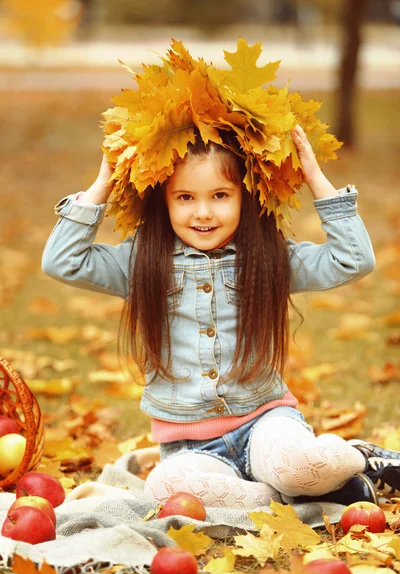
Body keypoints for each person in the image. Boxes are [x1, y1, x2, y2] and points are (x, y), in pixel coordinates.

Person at [42, 125, 400, 510]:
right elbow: (62, 261)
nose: (203, 212)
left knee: (299, 465)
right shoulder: (142, 262)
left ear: (245, 197)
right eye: (184, 197)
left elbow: (353, 260)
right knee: (164, 491)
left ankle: (359, 458)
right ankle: (292, 495)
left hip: (267, 425)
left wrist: (312, 175)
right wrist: (103, 183)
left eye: (220, 195)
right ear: (163, 201)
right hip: (190, 447)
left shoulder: (268, 258)